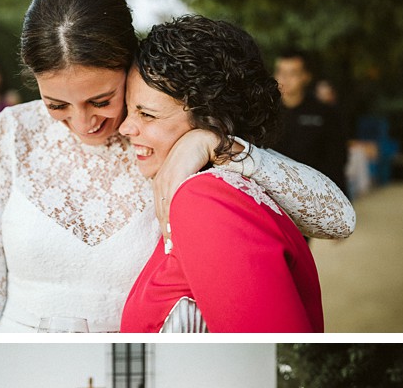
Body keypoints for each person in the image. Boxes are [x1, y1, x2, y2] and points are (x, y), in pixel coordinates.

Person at [0, 0, 353, 333]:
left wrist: (212, 142)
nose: (84, 123)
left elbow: (338, 218)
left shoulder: (160, 136)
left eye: (101, 100)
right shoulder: (13, 129)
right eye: (57, 105)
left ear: (130, 68)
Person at [119, 16, 324, 333]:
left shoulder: (205, 202)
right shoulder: (210, 190)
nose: (125, 128)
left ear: (210, 119)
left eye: (147, 114)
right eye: (129, 110)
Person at [271, 49, 349, 194]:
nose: (285, 79)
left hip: (316, 193)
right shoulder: (264, 113)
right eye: (281, 72)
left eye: (292, 73)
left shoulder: (326, 114)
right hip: (275, 193)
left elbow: (337, 161)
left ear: (306, 76)